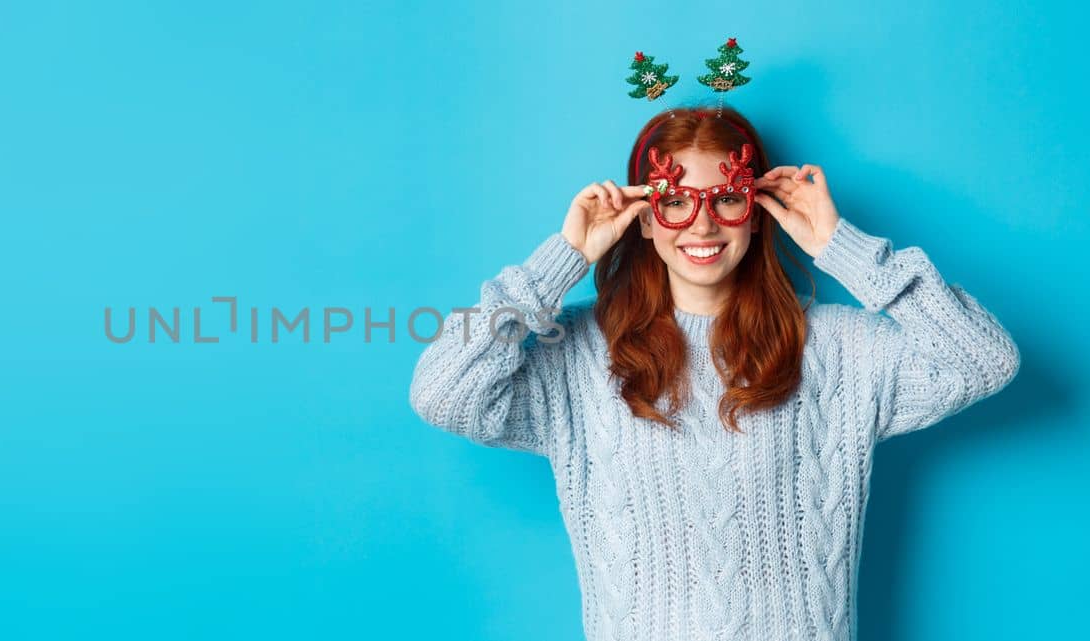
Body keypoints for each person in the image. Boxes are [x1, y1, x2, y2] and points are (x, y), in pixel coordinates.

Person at [407, 106, 1020, 641]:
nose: (702, 224)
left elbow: (983, 358)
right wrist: (559, 263)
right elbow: (442, 392)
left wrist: (841, 245)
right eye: (674, 201)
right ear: (644, 217)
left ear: (756, 212)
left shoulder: (839, 350)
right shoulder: (578, 356)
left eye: (726, 198)